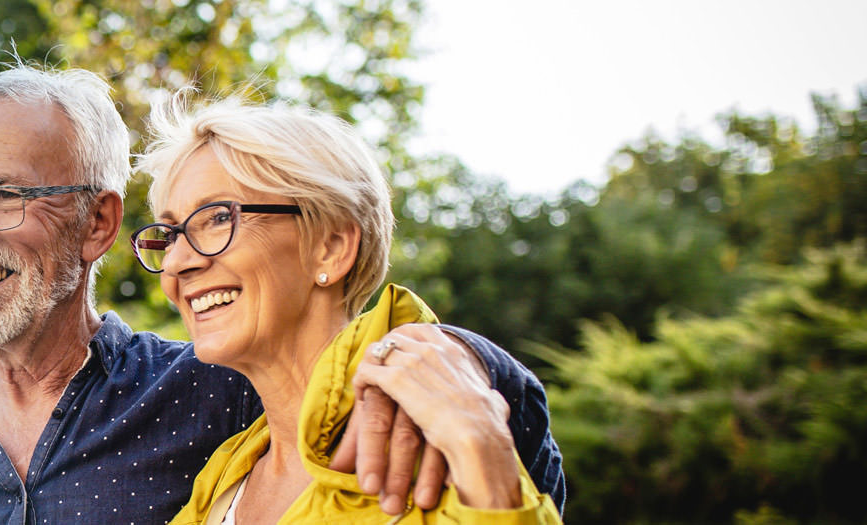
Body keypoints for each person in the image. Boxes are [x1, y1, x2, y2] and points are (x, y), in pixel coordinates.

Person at [0, 63, 563, 524]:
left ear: (98, 223)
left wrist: (440, 357)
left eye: (2, 196)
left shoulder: (213, 392)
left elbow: (510, 428)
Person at [131, 94, 561, 523]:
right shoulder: (224, 475)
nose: (175, 263)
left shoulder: (434, 443)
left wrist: (485, 463)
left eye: (218, 218)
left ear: (331, 248)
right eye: (169, 236)